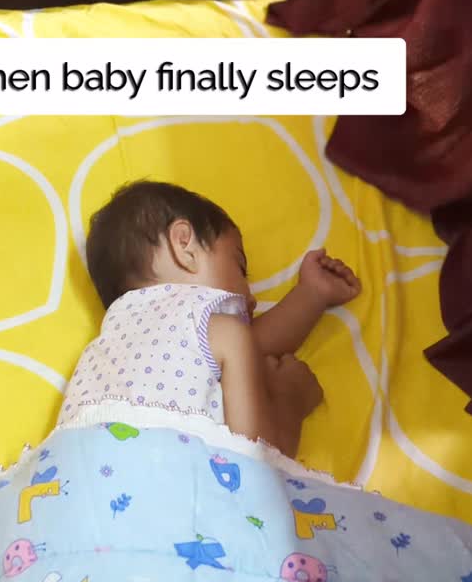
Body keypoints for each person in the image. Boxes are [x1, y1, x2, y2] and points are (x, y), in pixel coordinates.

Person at [58, 181, 361, 456]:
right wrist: (289, 400)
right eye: (240, 267)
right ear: (185, 246)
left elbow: (258, 341)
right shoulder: (220, 333)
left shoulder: (106, 346)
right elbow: (255, 465)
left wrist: (312, 293)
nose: (251, 296)